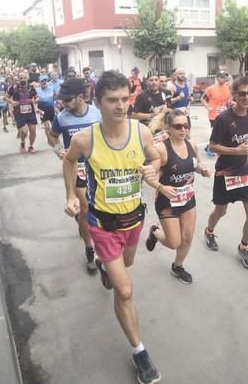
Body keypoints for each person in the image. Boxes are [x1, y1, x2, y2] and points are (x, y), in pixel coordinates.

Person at [63, 70, 161, 384]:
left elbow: (156, 157)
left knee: (127, 265)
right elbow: (68, 161)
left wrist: (152, 168)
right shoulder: (85, 139)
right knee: (125, 289)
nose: (120, 106)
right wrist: (70, 195)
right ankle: (139, 351)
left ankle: (109, 269)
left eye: (124, 99)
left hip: (134, 220)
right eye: (112, 100)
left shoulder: (141, 132)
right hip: (102, 225)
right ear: (98, 101)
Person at [145, 109, 212, 284]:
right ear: (168, 128)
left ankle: (178, 266)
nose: (183, 130)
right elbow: (148, 176)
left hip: (187, 197)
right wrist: (161, 187)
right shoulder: (161, 149)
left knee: (188, 237)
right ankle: (155, 231)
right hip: (166, 201)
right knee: (174, 242)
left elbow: (195, 164)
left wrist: (202, 170)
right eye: (178, 126)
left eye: (186, 125)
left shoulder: (192, 145)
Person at [202, 76, 248, 269]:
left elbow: (247, 134)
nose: (246, 97)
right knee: (221, 211)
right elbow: (212, 146)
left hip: (244, 172)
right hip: (225, 174)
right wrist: (235, 151)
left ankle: (243, 247)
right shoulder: (224, 119)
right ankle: (209, 231)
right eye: (242, 93)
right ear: (234, 94)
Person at [50, 78, 103, 271]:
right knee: (85, 208)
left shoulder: (98, 114)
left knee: (99, 209)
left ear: (81, 97)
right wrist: (58, 149)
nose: (63, 104)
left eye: (67, 100)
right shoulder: (62, 117)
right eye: (61, 100)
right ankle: (90, 248)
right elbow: (53, 136)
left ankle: (88, 228)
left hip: (97, 170)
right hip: (76, 170)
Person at [201, 71, 232, 157]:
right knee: (217, 133)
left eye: (225, 77)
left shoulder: (229, 87)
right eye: (222, 77)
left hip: (225, 114)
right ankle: (211, 148)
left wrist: (229, 104)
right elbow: (203, 99)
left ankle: (209, 147)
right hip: (214, 115)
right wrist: (208, 107)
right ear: (217, 78)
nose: (224, 79)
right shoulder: (210, 89)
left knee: (224, 132)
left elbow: (233, 96)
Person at [7, 72, 38, 153]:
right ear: (18, 79)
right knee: (24, 131)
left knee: (33, 130)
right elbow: (6, 97)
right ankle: (23, 142)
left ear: (27, 78)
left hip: (30, 111)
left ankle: (31, 146)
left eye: (24, 78)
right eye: (21, 78)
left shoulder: (31, 87)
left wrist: (34, 100)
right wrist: (12, 101)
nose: (23, 80)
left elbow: (37, 97)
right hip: (19, 112)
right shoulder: (13, 88)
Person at [36, 76, 57, 147]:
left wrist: (56, 107)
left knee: (54, 125)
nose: (44, 82)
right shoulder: (37, 90)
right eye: (42, 81)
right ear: (39, 82)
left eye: (45, 80)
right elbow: (34, 100)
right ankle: (49, 139)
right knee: (47, 126)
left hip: (51, 109)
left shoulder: (51, 89)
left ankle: (54, 138)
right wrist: (36, 108)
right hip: (42, 110)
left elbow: (55, 98)